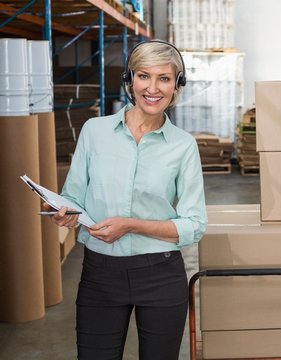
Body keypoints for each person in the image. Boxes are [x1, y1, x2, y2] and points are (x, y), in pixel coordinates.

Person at [46, 40, 207, 360]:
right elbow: (73, 195)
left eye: (164, 78)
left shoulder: (183, 145)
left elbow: (194, 225)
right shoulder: (94, 131)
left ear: (177, 84)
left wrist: (131, 225)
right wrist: (65, 212)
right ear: (130, 79)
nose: (153, 88)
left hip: (160, 274)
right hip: (100, 274)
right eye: (144, 76)